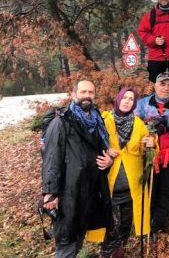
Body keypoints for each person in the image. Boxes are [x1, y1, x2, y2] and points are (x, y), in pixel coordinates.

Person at [41, 80, 114, 257]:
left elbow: (102, 150)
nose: (87, 96)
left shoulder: (97, 120)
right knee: (67, 241)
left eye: (90, 92)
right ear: (74, 95)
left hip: (90, 191)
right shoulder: (62, 122)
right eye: (83, 92)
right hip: (68, 191)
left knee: (78, 238)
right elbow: (51, 158)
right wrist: (50, 193)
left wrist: (109, 160)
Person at [86, 87, 156, 257]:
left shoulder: (139, 124)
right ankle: (107, 254)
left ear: (134, 103)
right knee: (111, 229)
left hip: (131, 189)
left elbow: (148, 153)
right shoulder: (103, 120)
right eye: (124, 97)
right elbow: (91, 144)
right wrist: (107, 149)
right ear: (118, 99)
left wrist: (151, 144)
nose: (127, 101)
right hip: (109, 188)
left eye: (131, 99)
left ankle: (118, 253)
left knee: (124, 229)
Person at [134, 72, 169, 236]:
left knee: (165, 193)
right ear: (155, 85)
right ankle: (146, 224)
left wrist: (168, 121)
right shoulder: (142, 105)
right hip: (148, 157)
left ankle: (158, 226)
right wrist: (149, 127)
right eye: (162, 84)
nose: (166, 88)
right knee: (149, 191)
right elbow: (134, 127)